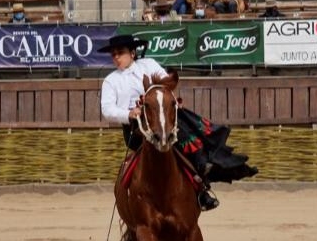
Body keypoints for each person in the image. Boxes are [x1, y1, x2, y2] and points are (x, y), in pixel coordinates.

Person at [98, 34, 258, 211]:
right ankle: (130, 196)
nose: (116, 57)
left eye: (120, 53)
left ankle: (201, 186)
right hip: (136, 128)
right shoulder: (111, 81)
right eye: (113, 54)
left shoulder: (149, 64)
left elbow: (166, 82)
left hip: (162, 118)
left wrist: (171, 99)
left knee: (184, 130)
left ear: (133, 53)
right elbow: (107, 110)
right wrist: (129, 113)